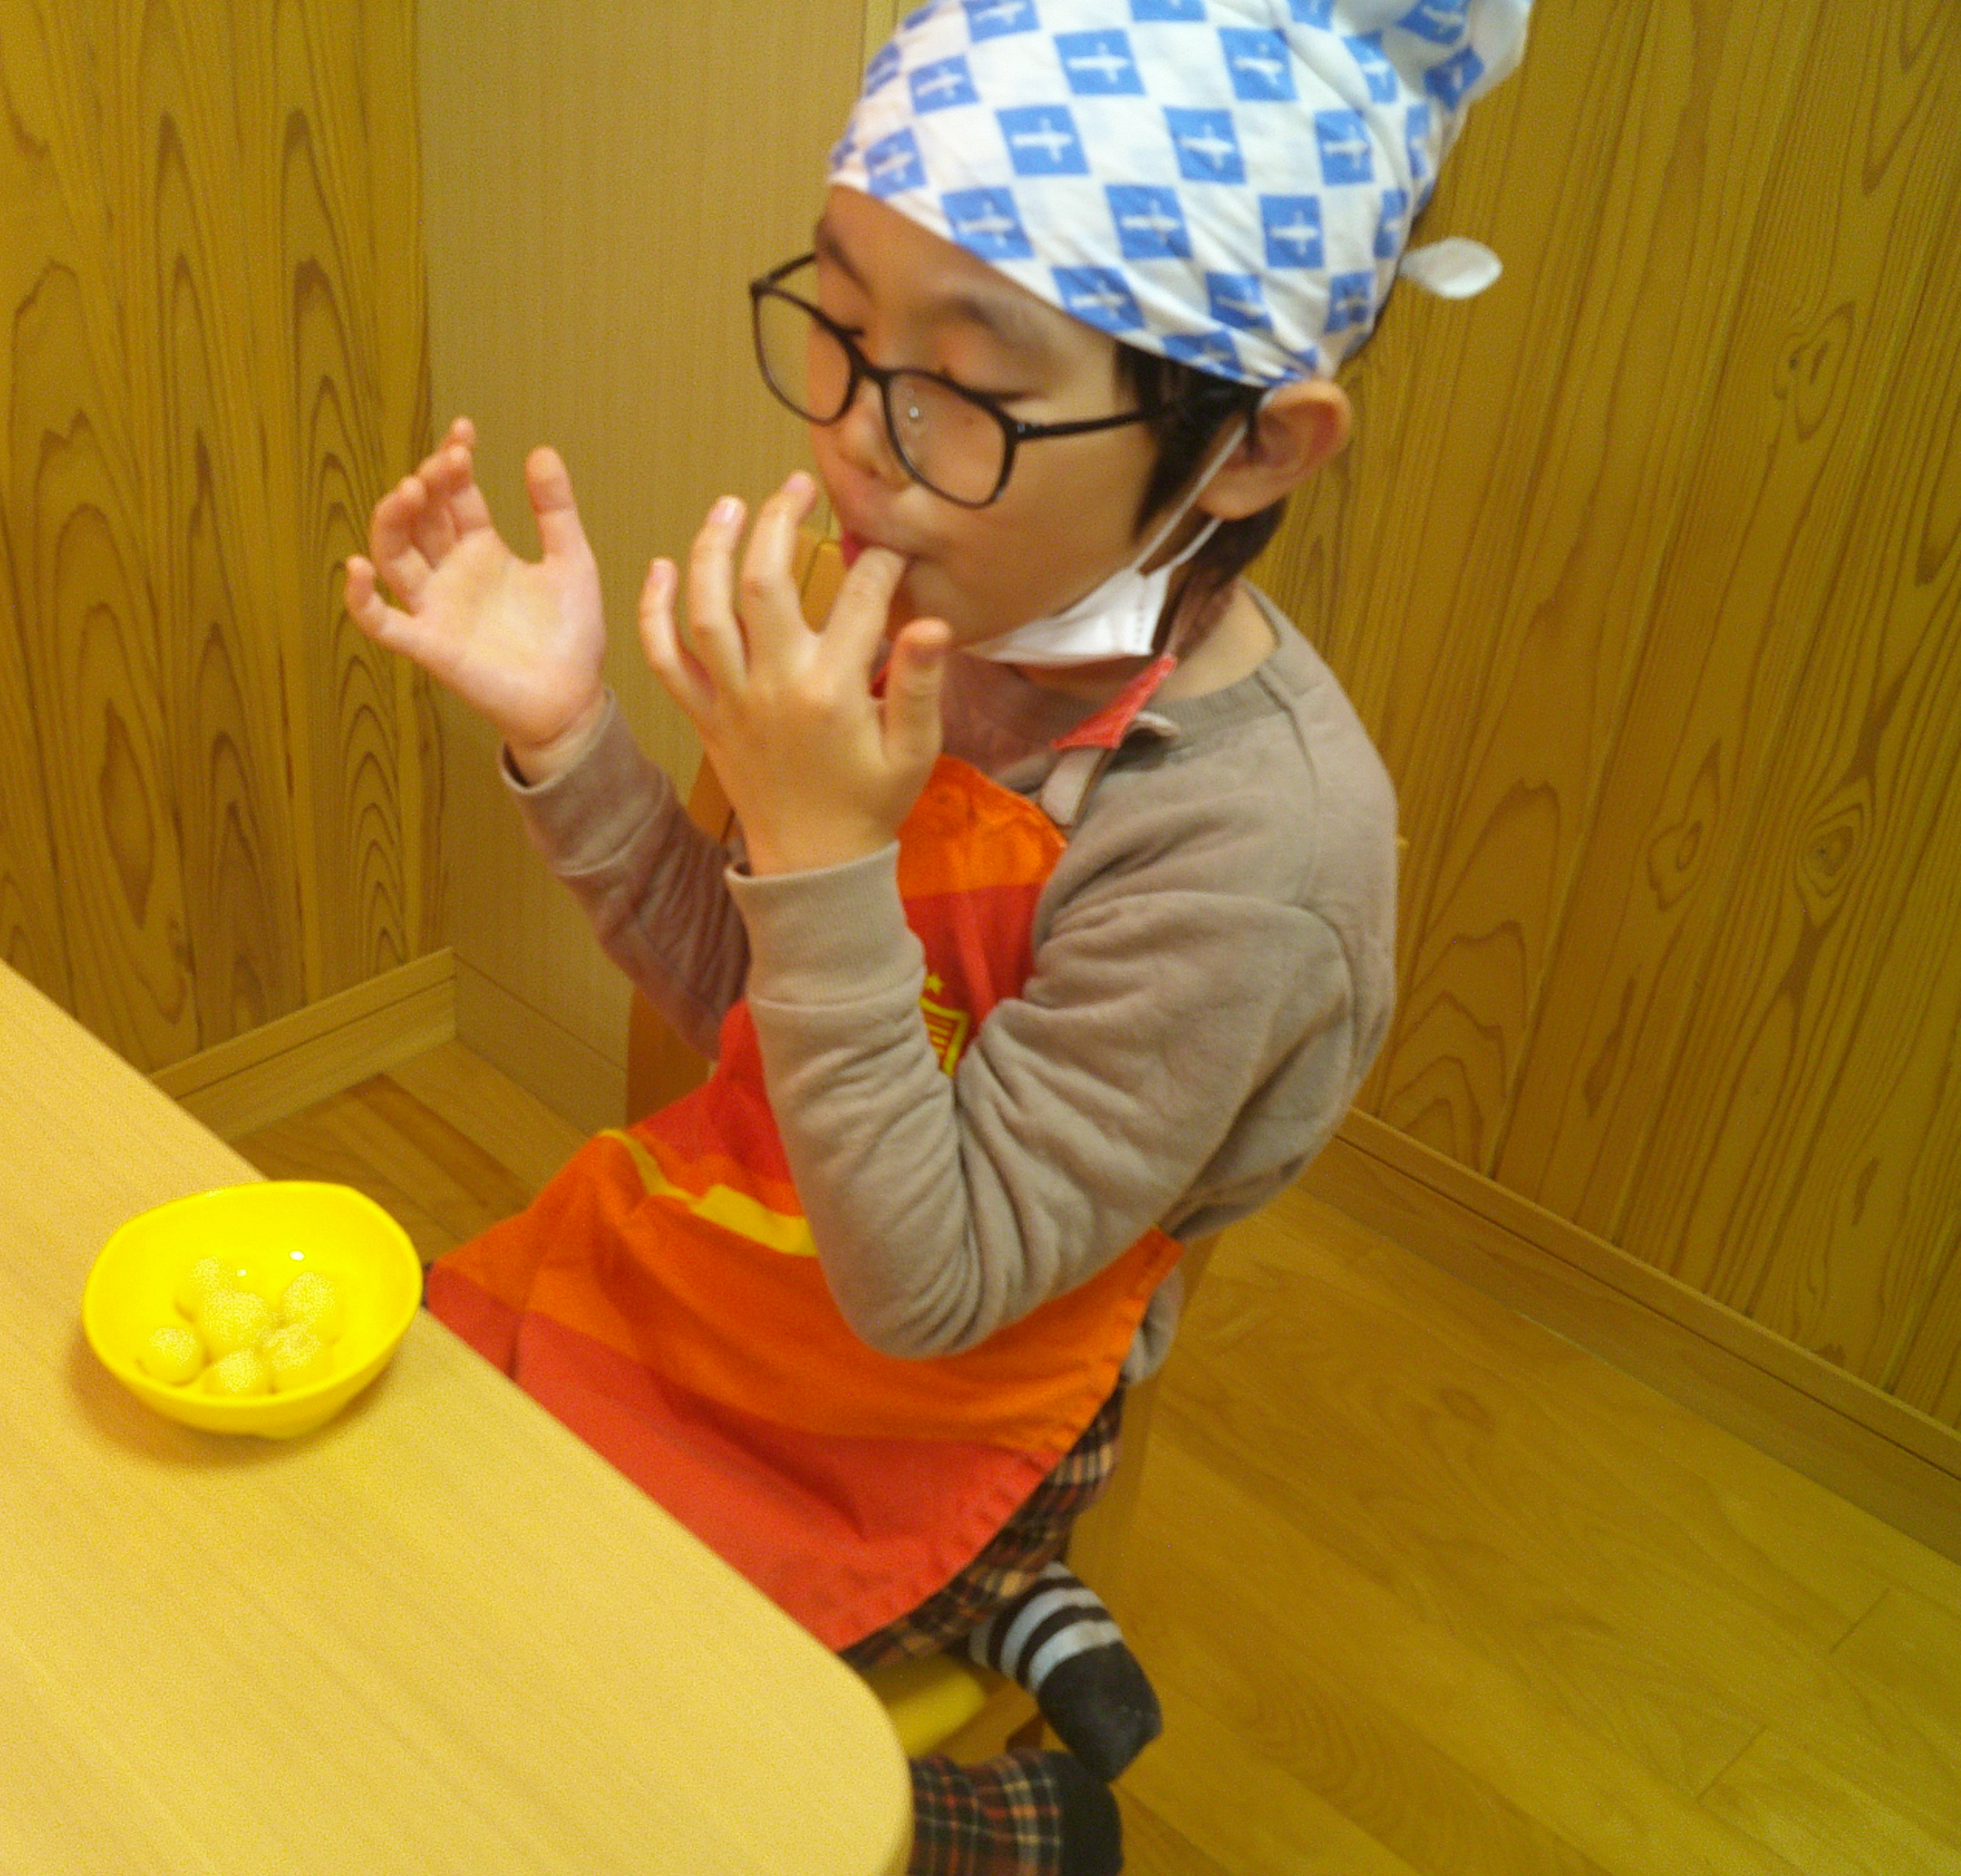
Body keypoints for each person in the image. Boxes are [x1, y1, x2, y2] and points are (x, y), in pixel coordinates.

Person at [345, 4, 1531, 1871]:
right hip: (731, 1251)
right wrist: (569, 735)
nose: (851, 441)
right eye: (840, 321)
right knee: (377, 1545)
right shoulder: (928, 602)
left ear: (1250, 450)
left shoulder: (1258, 848)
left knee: (555, 1748)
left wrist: (821, 846)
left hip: (942, 1386)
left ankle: (980, 1822)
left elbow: (936, 1279)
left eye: (967, 386)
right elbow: (751, 1013)